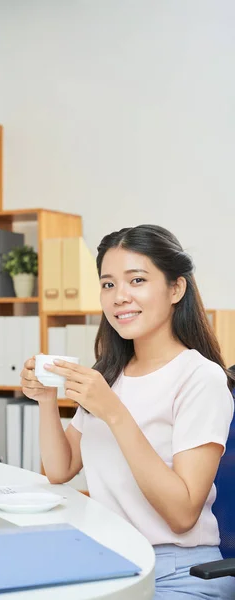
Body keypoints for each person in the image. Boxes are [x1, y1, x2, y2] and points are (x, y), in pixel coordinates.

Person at [20, 224, 235, 599]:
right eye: (108, 284)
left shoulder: (201, 378)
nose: (119, 296)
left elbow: (183, 514)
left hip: (181, 573)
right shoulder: (110, 374)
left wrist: (115, 413)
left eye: (136, 280)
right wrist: (47, 400)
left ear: (175, 289)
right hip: (112, 560)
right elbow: (60, 468)